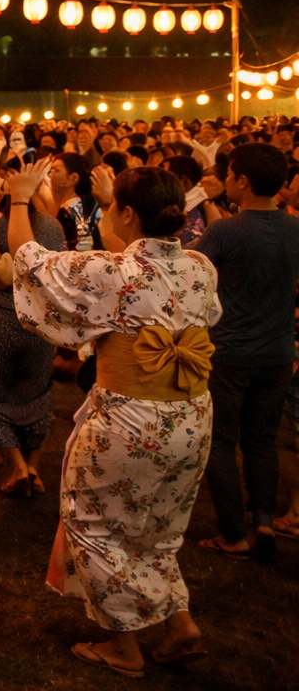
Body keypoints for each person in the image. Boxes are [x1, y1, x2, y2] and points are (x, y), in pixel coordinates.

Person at [9, 161, 221, 678]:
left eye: (112, 208)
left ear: (126, 213)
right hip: (191, 415)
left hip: (131, 418)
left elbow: (29, 260)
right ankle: (179, 624)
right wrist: (111, 202)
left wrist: (17, 198)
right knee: (159, 525)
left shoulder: (113, 271)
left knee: (93, 525)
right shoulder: (199, 265)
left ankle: (123, 645)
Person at [191, 143, 299, 560]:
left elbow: (191, 272)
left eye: (230, 174)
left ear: (242, 181)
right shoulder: (294, 228)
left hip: (229, 352)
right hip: (277, 353)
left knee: (219, 442)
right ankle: (265, 523)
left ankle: (234, 532)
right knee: (262, 441)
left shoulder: (225, 231)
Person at [0, 168, 67, 495]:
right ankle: (35, 466)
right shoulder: (52, 227)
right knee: (39, 392)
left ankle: (18, 467)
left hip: (3, 317)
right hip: (42, 322)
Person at [50, 152, 99, 251]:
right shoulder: (80, 205)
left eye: (56, 170)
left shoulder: (69, 211)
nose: (50, 175)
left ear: (73, 178)